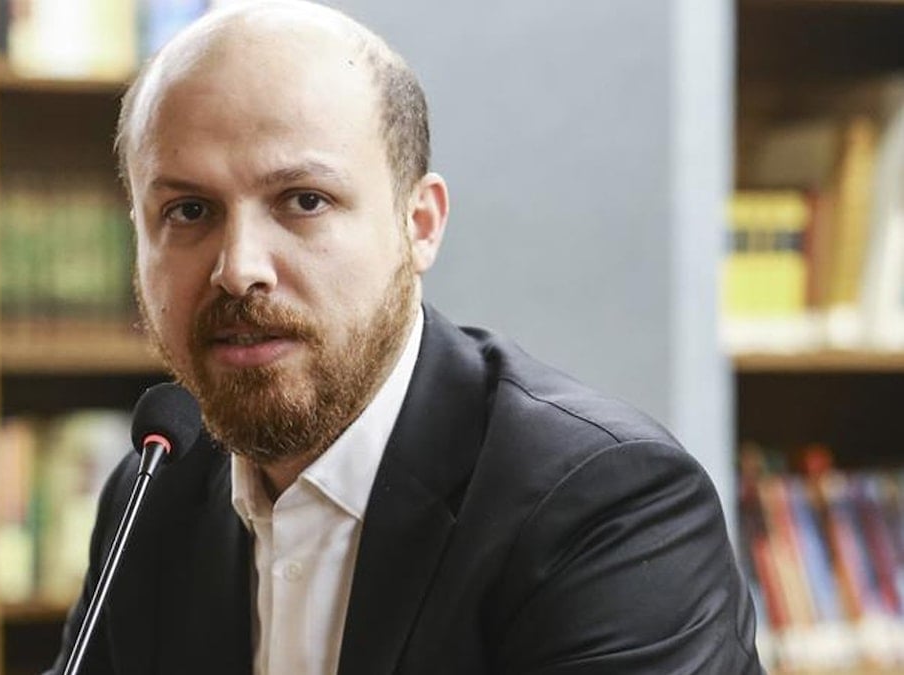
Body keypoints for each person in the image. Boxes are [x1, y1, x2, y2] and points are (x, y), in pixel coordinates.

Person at [48, 1, 762, 673]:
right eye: (188, 210)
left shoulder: (606, 504)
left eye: (304, 201)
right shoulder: (153, 491)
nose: (238, 269)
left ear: (419, 224)